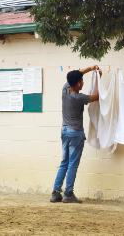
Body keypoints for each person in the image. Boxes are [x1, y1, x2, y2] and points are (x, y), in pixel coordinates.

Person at [50, 65, 101, 203]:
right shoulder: (79, 98)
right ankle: (68, 193)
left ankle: (55, 192)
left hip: (65, 131)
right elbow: (97, 96)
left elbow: (75, 74)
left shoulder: (65, 90)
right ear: (78, 83)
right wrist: (99, 78)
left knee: (64, 162)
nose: (83, 82)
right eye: (82, 81)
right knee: (73, 164)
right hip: (75, 133)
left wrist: (90, 69)